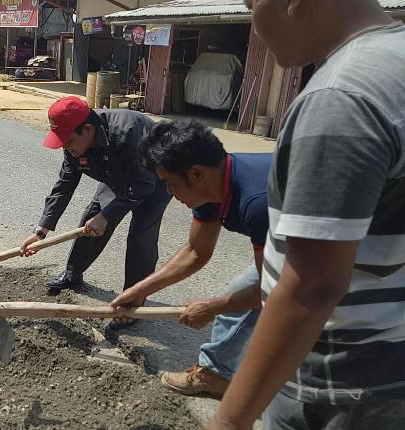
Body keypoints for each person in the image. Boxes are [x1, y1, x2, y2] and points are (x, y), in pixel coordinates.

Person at [210, 1, 405, 429]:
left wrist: (228, 420)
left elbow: (312, 287)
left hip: (340, 380)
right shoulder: (396, 62)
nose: (253, 24)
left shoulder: (342, 96)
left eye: (250, 4)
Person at [111, 120, 271, 398]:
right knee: (235, 299)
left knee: (311, 326)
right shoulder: (213, 185)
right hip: (300, 240)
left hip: (350, 245)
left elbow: (273, 290)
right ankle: (218, 374)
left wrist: (211, 306)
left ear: (196, 174)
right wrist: (140, 290)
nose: (171, 194)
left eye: (172, 185)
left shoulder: (257, 203)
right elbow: (196, 251)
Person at [20, 96, 171, 327]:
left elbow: (143, 185)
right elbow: (65, 184)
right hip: (116, 173)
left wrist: (106, 216)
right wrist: (41, 230)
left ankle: (131, 303)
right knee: (90, 224)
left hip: (156, 178)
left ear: (88, 129)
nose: (66, 147)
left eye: (69, 141)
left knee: (141, 237)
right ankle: (73, 274)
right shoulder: (73, 143)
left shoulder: (129, 132)